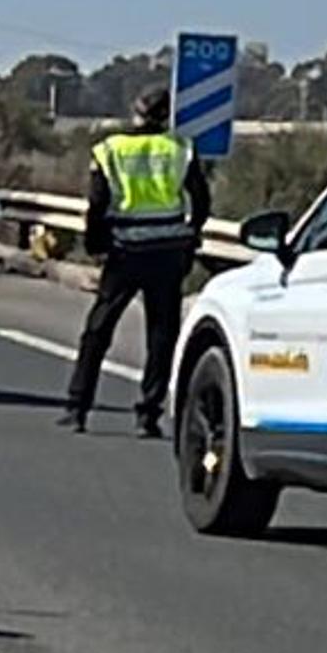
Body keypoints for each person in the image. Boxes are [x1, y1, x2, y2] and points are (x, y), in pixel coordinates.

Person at [59, 86, 211, 437]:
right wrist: (190, 235)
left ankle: (78, 406)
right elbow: (201, 201)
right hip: (168, 252)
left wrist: (95, 242)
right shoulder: (180, 150)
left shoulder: (111, 150)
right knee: (162, 334)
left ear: (136, 111)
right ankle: (148, 413)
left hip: (125, 251)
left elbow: (97, 202)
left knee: (99, 328)